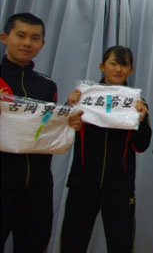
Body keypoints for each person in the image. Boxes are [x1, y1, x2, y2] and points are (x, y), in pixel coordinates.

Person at [1, 13, 82, 253]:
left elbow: (45, 128)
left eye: (35, 38)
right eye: (21, 36)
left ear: (42, 44)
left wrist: (68, 122)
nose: (28, 43)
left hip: (37, 184)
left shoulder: (46, 85)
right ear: (5, 37)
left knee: (35, 245)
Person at [60, 45, 151, 253]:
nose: (118, 69)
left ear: (131, 69)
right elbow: (61, 136)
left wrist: (141, 120)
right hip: (82, 182)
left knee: (121, 244)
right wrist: (68, 107)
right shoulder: (83, 97)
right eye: (113, 64)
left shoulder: (137, 102)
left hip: (120, 185)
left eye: (124, 65)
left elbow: (141, 146)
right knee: (73, 243)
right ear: (102, 66)